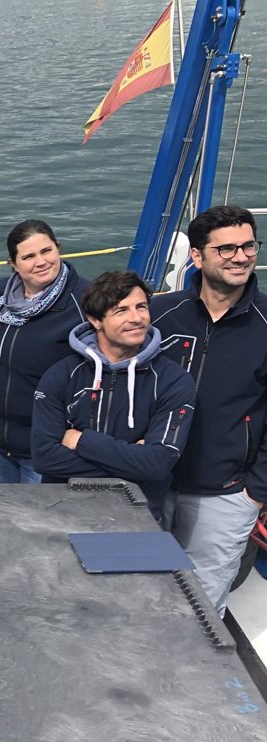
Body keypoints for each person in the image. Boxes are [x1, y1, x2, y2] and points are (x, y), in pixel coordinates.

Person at [151, 205, 267, 616]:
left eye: (249, 246)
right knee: (140, 583)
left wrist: (256, 492)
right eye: (227, 248)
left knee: (201, 606)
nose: (241, 257)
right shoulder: (159, 315)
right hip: (151, 484)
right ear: (197, 256)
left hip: (226, 494)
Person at [32, 271, 195, 522]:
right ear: (95, 320)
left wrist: (82, 440)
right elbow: (45, 458)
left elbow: (158, 464)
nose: (136, 318)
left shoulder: (173, 380)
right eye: (121, 310)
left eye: (141, 307)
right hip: (64, 511)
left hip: (138, 516)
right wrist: (133, 462)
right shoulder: (61, 375)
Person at [0, 220, 89, 483]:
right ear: (13, 264)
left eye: (47, 251)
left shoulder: (84, 301)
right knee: (1, 509)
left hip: (47, 447)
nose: (41, 262)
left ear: (58, 248)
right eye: (28, 256)